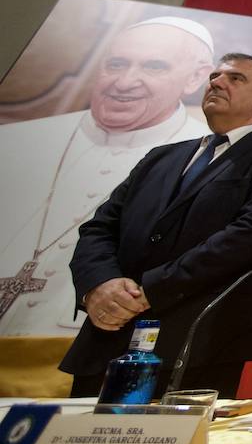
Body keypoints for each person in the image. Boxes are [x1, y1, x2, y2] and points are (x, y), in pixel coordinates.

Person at [59, 53, 252, 397]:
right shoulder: (161, 156)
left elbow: (246, 238)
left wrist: (149, 290)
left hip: (196, 341)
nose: (216, 82)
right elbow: (99, 228)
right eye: (215, 76)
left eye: (235, 78)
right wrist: (99, 285)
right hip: (108, 335)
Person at [0, 17, 215, 335]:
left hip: (96, 339)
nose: (125, 82)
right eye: (115, 64)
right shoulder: (15, 138)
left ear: (195, 77)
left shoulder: (211, 162)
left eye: (153, 67)